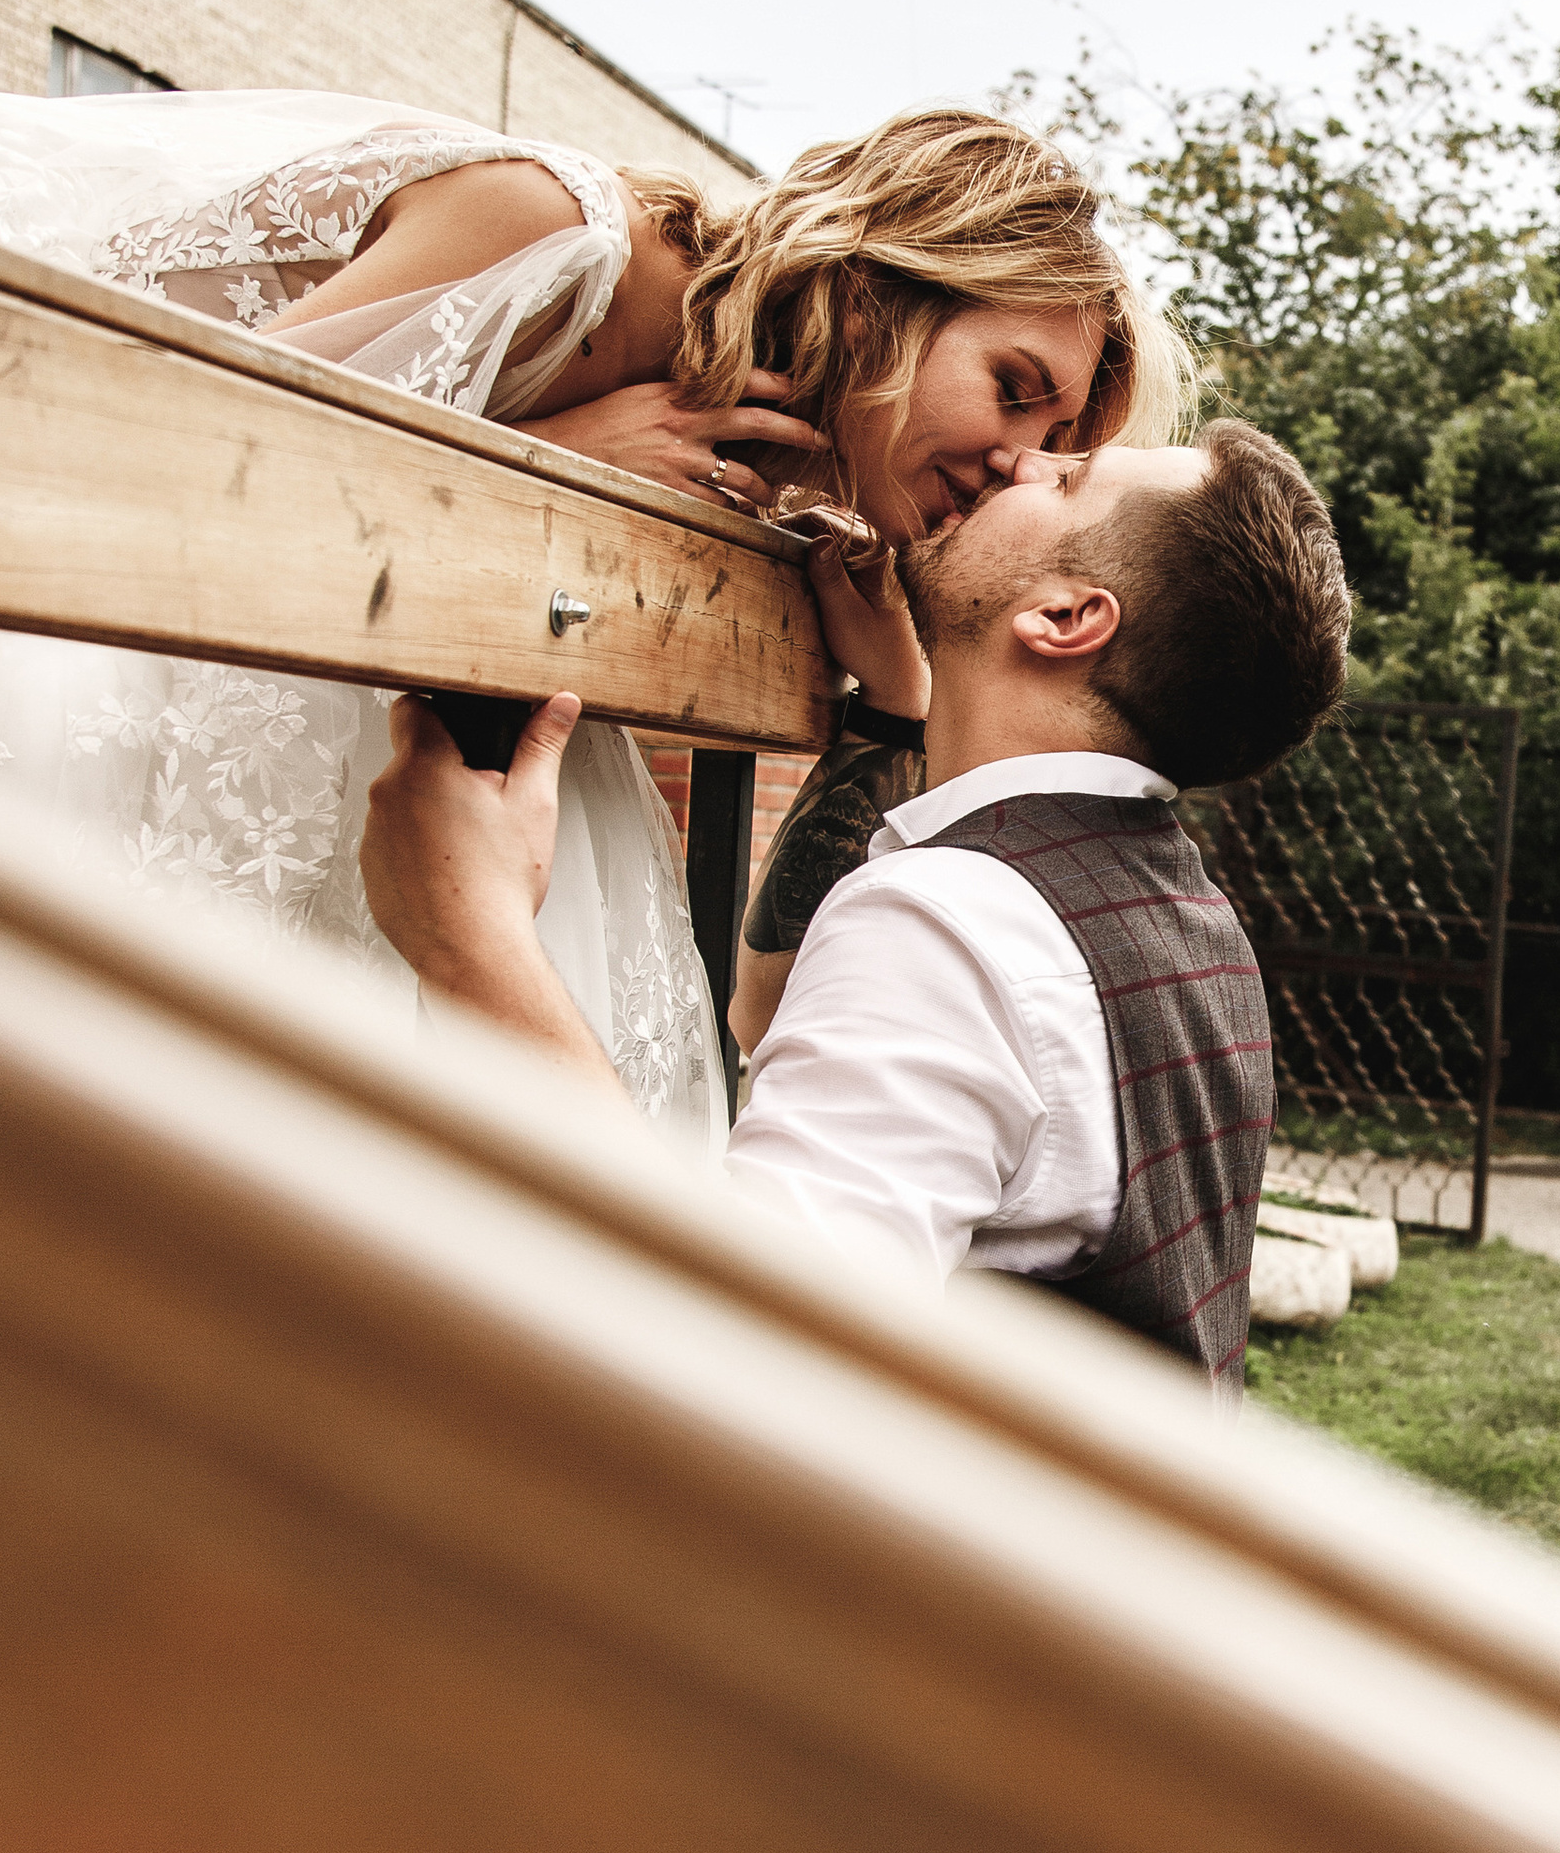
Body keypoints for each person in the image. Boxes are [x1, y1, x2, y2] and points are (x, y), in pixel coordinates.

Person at [0, 90, 1187, 1149]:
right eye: (1018, 392)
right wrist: (543, 454)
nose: (1021, 461)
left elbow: (779, 985)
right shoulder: (558, 234)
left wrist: (892, 697)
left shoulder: (770, 445)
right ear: (887, 290)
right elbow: (137, 437)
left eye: (1056, 440)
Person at [360, 419, 1354, 1389]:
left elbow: (747, 1344)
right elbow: (770, 1019)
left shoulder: (955, 924)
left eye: (1065, 478)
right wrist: (891, 706)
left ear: (1065, 618)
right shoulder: (1180, 913)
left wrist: (472, 934)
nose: (1022, 453)